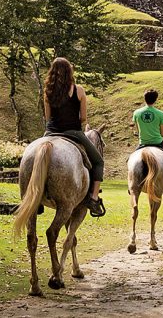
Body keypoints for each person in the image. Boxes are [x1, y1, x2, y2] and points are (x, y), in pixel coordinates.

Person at [43, 57, 105, 217]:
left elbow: (48, 117)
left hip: (50, 133)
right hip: (73, 133)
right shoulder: (78, 90)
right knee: (98, 162)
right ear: (70, 71)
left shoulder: (48, 91)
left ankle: (34, 198)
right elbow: (83, 118)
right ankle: (93, 198)